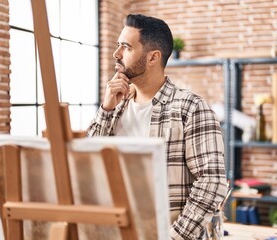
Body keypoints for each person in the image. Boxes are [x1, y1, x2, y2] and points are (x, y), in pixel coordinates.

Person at [87, 13, 228, 240]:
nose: (116, 54)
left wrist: (171, 237)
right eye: (118, 45)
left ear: (153, 58)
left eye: (126, 47)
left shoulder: (191, 107)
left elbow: (212, 183)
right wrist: (105, 109)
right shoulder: (115, 105)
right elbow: (86, 163)